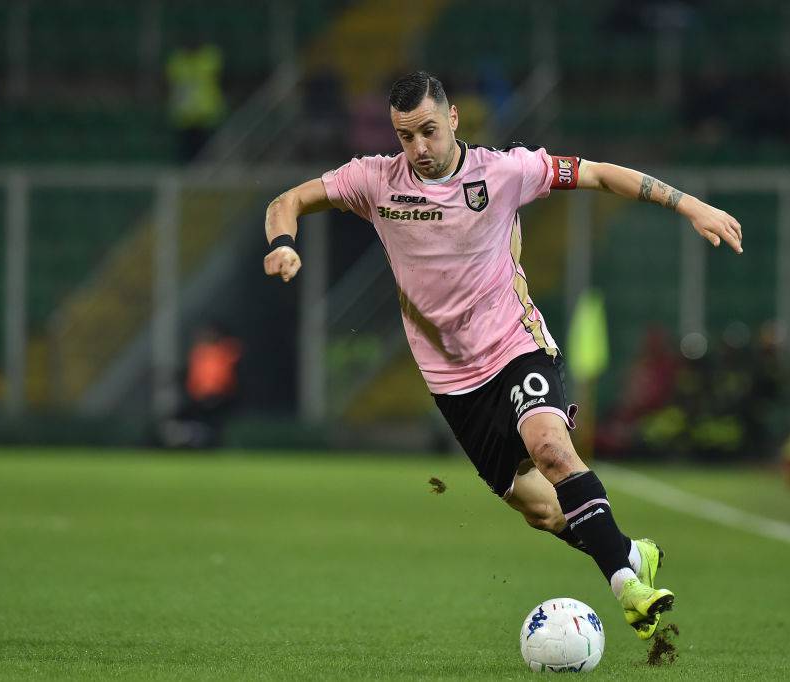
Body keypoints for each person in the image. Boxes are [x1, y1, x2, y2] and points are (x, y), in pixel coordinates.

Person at [263, 71, 743, 639]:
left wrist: (689, 205)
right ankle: (632, 553)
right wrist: (282, 244)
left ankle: (627, 589)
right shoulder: (375, 180)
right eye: (405, 136)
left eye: (429, 131)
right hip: (450, 381)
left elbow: (596, 173)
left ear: (454, 119)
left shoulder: (504, 171)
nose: (418, 148)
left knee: (552, 450)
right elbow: (287, 200)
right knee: (540, 510)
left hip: (515, 346)